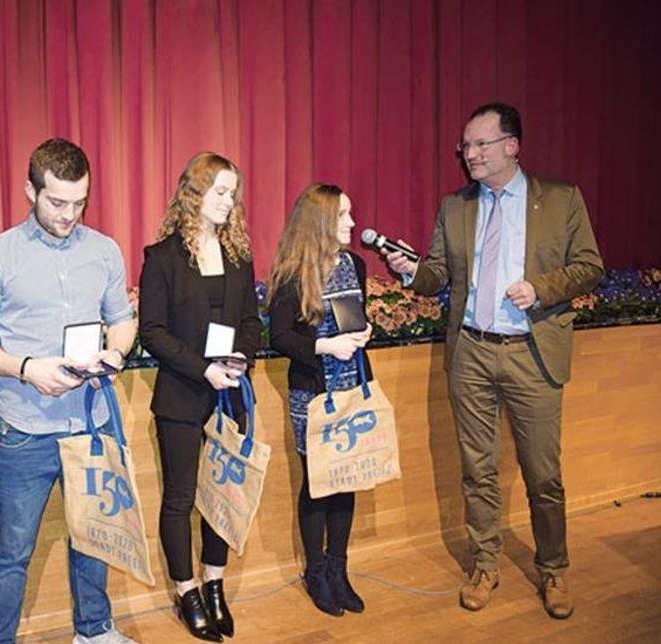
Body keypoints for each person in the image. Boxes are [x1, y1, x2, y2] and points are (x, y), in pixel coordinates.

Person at [381, 103, 604, 619]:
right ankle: (485, 562)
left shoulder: (561, 199)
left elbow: (590, 265)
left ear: (511, 146)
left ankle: (554, 568)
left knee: (543, 473)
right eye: (466, 147)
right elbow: (437, 274)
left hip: (532, 353)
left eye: (480, 144)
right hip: (472, 353)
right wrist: (411, 270)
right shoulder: (456, 206)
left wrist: (542, 288)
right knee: (477, 470)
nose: (470, 155)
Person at [0, 138, 138, 644]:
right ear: (29, 190)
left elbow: (122, 321)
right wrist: (26, 368)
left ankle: (95, 632)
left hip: (93, 423)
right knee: (12, 551)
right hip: (25, 432)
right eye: (57, 202)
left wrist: (116, 354)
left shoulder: (104, 251)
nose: (69, 214)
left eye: (79, 202)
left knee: (94, 538)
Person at [138, 152, 262, 642]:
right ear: (194, 193)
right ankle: (186, 589)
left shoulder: (238, 255)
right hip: (182, 396)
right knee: (182, 498)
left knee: (220, 498)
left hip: (228, 395)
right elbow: (153, 331)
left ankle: (215, 584)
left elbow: (251, 323)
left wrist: (239, 361)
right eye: (220, 191)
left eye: (233, 193)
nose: (229, 201)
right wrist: (204, 368)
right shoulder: (162, 257)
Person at [267, 184, 373, 617]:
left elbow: (356, 318)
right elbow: (279, 336)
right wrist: (326, 347)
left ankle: (339, 569)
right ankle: (315, 572)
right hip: (312, 395)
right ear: (320, 220)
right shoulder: (294, 273)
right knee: (318, 485)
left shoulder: (356, 264)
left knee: (345, 480)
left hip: (352, 391)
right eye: (343, 214)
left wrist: (365, 334)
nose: (351, 222)